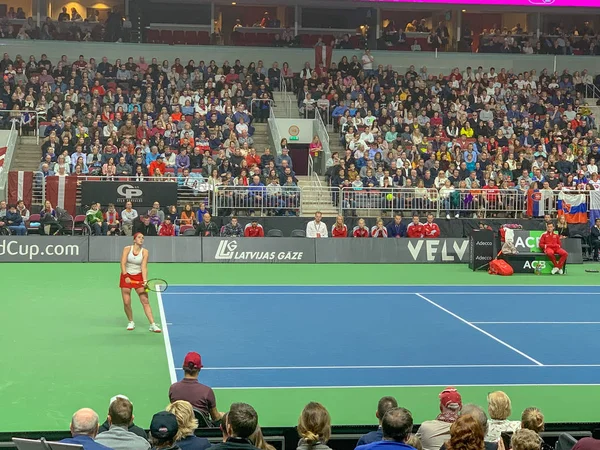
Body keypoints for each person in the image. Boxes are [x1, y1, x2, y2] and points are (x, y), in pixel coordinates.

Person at [119, 233, 161, 333]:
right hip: (126, 276)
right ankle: (131, 321)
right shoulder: (127, 249)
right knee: (126, 302)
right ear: (134, 240)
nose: (141, 239)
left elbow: (144, 267)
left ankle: (152, 324)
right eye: (139, 237)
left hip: (138, 276)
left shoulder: (145, 252)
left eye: (143, 238)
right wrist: (126, 276)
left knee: (145, 300)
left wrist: (145, 280)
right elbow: (122, 263)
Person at [169, 352, 223, 422]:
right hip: (202, 431)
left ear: (183, 367)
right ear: (199, 369)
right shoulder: (207, 391)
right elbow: (215, 418)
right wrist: (222, 415)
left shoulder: (173, 389)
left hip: (180, 428)